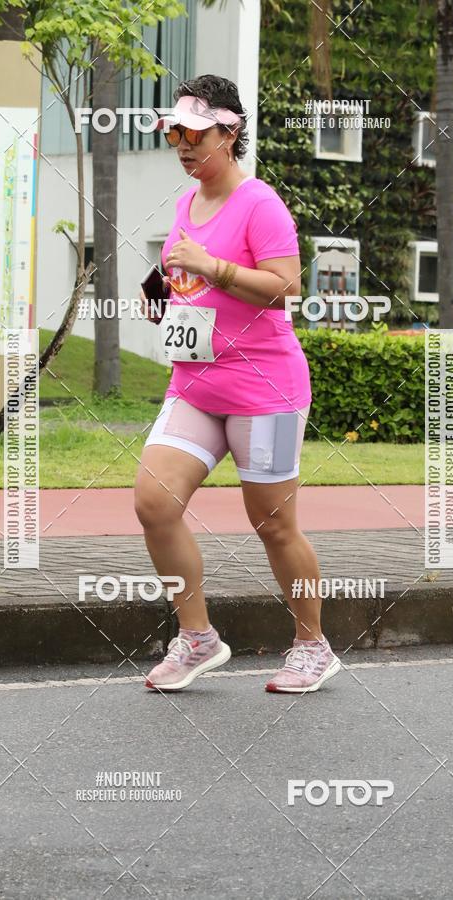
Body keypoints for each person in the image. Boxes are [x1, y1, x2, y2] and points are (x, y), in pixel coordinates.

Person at [136, 74, 341, 694]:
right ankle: (197, 638)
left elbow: (286, 287)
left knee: (274, 524)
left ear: (230, 132)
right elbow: (189, 272)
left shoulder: (260, 203)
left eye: (194, 133)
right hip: (196, 384)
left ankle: (313, 645)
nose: (182, 144)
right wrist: (164, 288)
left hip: (266, 392)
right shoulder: (186, 202)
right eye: (174, 132)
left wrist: (213, 267)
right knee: (153, 502)